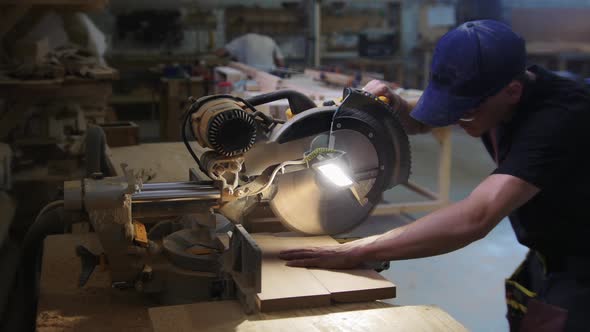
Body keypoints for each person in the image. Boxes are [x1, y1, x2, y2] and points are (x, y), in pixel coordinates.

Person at [279, 20, 590, 331]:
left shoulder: (560, 119)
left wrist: (361, 250)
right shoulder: (499, 81)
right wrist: (396, 105)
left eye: (465, 112)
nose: (456, 120)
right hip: (550, 250)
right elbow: (423, 120)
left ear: (512, 92)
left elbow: (475, 218)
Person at [216, 33, 285, 70]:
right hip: (270, 75)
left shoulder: (245, 38)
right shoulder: (269, 39)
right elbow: (281, 63)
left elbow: (220, 52)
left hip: (250, 75)